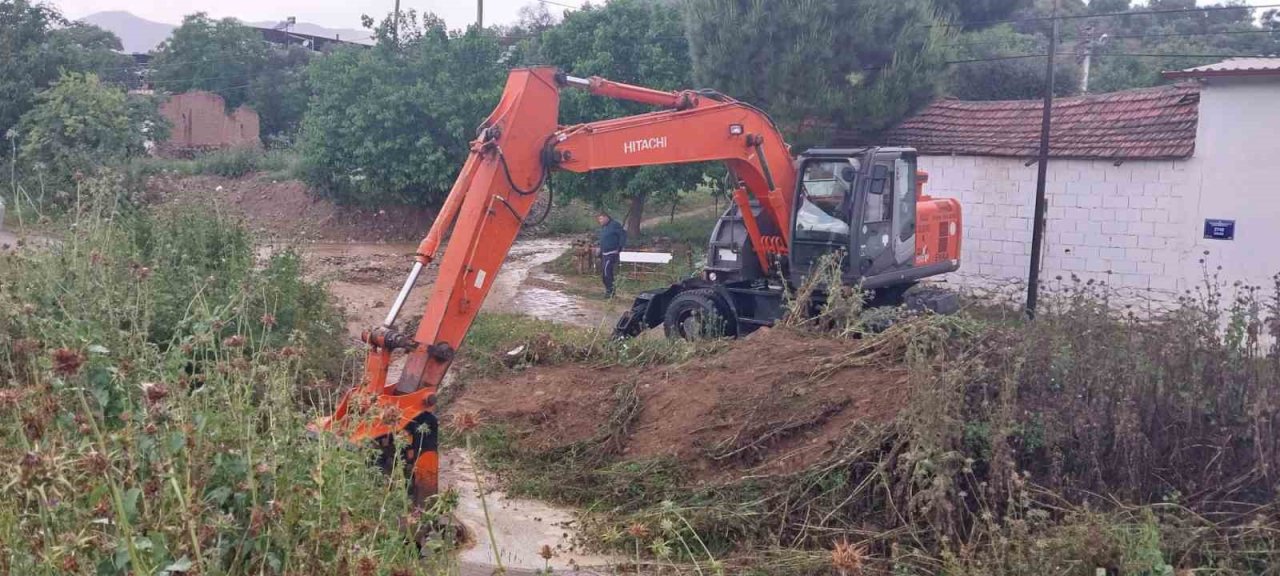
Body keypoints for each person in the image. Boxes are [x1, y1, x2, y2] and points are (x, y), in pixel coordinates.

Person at [596, 211, 626, 298]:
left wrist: (620, 247)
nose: (600, 221)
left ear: (606, 217)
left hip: (612, 253)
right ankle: (609, 291)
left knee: (607, 272)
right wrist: (599, 248)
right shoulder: (604, 227)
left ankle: (611, 292)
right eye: (599, 219)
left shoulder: (615, 225)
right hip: (604, 253)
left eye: (601, 219)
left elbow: (623, 235)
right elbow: (603, 239)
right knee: (604, 274)